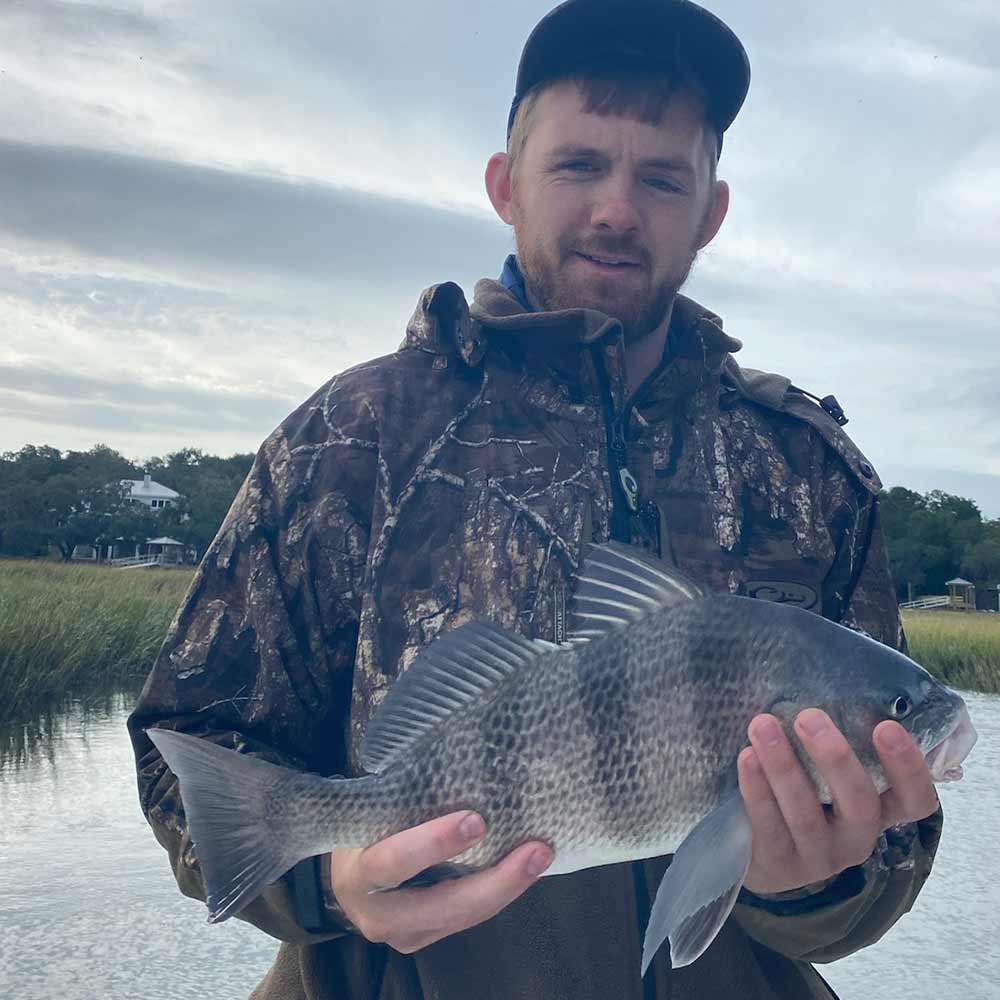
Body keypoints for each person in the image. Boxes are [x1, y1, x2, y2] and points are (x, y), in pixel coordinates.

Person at [129, 1, 944, 997]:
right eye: (578, 164)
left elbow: (898, 852)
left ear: (711, 211)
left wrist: (812, 881)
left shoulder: (808, 469)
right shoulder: (352, 435)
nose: (617, 209)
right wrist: (332, 881)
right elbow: (183, 755)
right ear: (504, 186)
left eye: (661, 178)